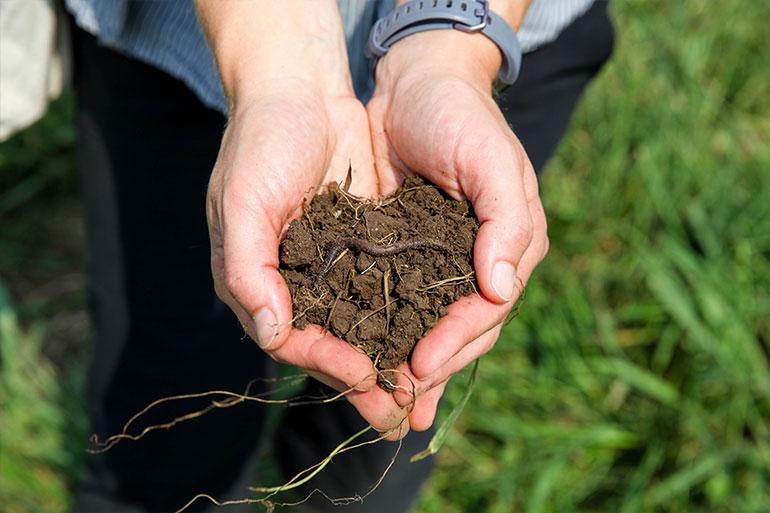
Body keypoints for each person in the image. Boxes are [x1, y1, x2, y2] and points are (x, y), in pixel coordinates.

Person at [66, 1, 614, 511]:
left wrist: (448, 52)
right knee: (170, 405)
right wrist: (277, 70)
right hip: (192, 53)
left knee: (377, 438)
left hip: (498, 27)